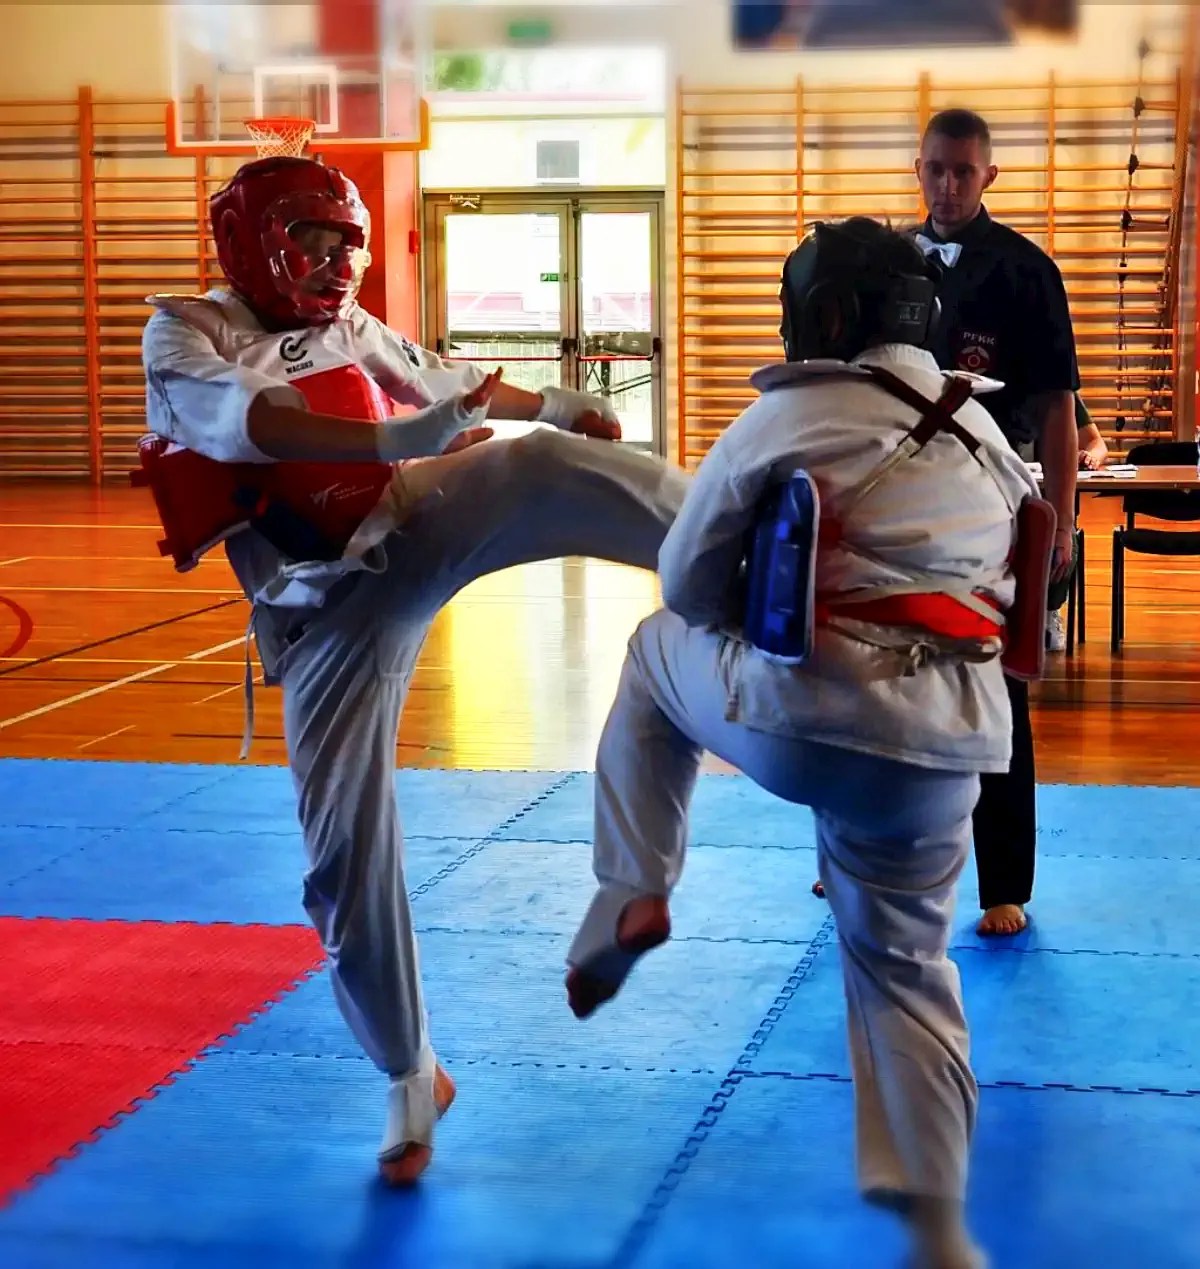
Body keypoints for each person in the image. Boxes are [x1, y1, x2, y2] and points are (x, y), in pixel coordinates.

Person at [138, 155, 689, 1186]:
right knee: (344, 858)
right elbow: (252, 424)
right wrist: (395, 432)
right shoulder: (185, 335)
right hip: (325, 619)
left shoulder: (349, 324)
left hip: (412, 522)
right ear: (251, 239)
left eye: (342, 244)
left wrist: (549, 400)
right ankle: (410, 1071)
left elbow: (436, 376)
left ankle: (731, 539)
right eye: (312, 241)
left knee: (536, 464)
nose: (332, 261)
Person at [565, 217, 1044, 1269]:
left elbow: (688, 586)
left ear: (823, 317)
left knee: (652, 652)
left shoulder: (789, 413)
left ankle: (632, 887)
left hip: (806, 717)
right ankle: (938, 1227)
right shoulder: (988, 435)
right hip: (951, 745)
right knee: (908, 968)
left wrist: (765, 599)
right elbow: (1030, 591)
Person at [909, 107, 1079, 937]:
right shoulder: (883, 267)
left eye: (963, 172)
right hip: (901, 506)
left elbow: (1057, 412)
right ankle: (869, 851)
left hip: (993, 504)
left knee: (998, 685)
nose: (947, 186)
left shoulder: (1026, 272)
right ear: (918, 169)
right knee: (880, 680)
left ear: (989, 176)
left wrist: (1064, 521)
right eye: (935, 169)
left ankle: (1002, 881)